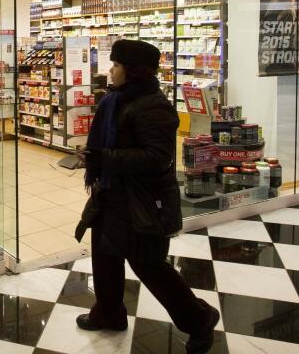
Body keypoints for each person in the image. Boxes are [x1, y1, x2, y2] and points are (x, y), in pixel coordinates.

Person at [74, 39, 220, 354]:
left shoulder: (153, 106)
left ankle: (199, 320)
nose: (110, 70)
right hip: (113, 193)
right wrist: (96, 158)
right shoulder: (118, 99)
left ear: (133, 70)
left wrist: (104, 158)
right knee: (104, 257)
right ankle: (109, 314)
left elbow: (157, 156)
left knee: (150, 267)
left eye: (115, 65)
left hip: (142, 201)